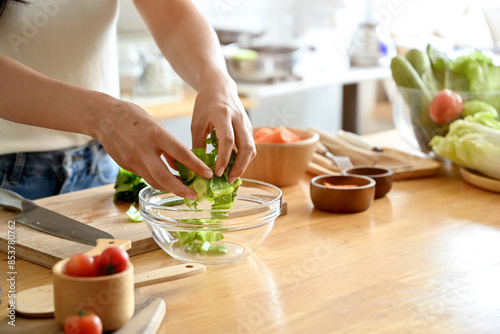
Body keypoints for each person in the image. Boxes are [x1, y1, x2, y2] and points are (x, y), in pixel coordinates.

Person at [0, 0, 256, 200]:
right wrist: (103, 116)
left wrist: (215, 76)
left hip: (101, 163)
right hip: (8, 176)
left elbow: (173, 16)